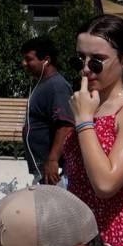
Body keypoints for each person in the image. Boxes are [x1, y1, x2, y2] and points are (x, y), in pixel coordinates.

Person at [63, 14, 123, 246]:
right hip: (78, 237)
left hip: (115, 241)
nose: (85, 69)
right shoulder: (88, 105)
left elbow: (106, 183)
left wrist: (83, 122)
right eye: (80, 59)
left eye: (96, 61)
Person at [21, 36, 74, 184]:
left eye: (29, 59)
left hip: (53, 171)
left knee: (54, 207)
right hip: (43, 170)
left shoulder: (56, 86)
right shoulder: (42, 84)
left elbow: (65, 125)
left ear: (46, 60)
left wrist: (53, 160)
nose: (24, 63)